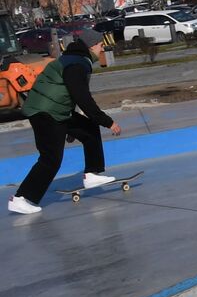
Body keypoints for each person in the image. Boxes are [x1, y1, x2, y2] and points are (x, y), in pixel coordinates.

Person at [8, 31, 121, 214]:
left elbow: (69, 94)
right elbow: (82, 97)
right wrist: (107, 122)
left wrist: (72, 125)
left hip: (55, 110)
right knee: (51, 158)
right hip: (45, 112)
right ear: (92, 46)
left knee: (88, 129)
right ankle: (20, 198)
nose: (102, 49)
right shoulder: (78, 64)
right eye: (100, 45)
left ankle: (91, 173)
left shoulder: (74, 58)